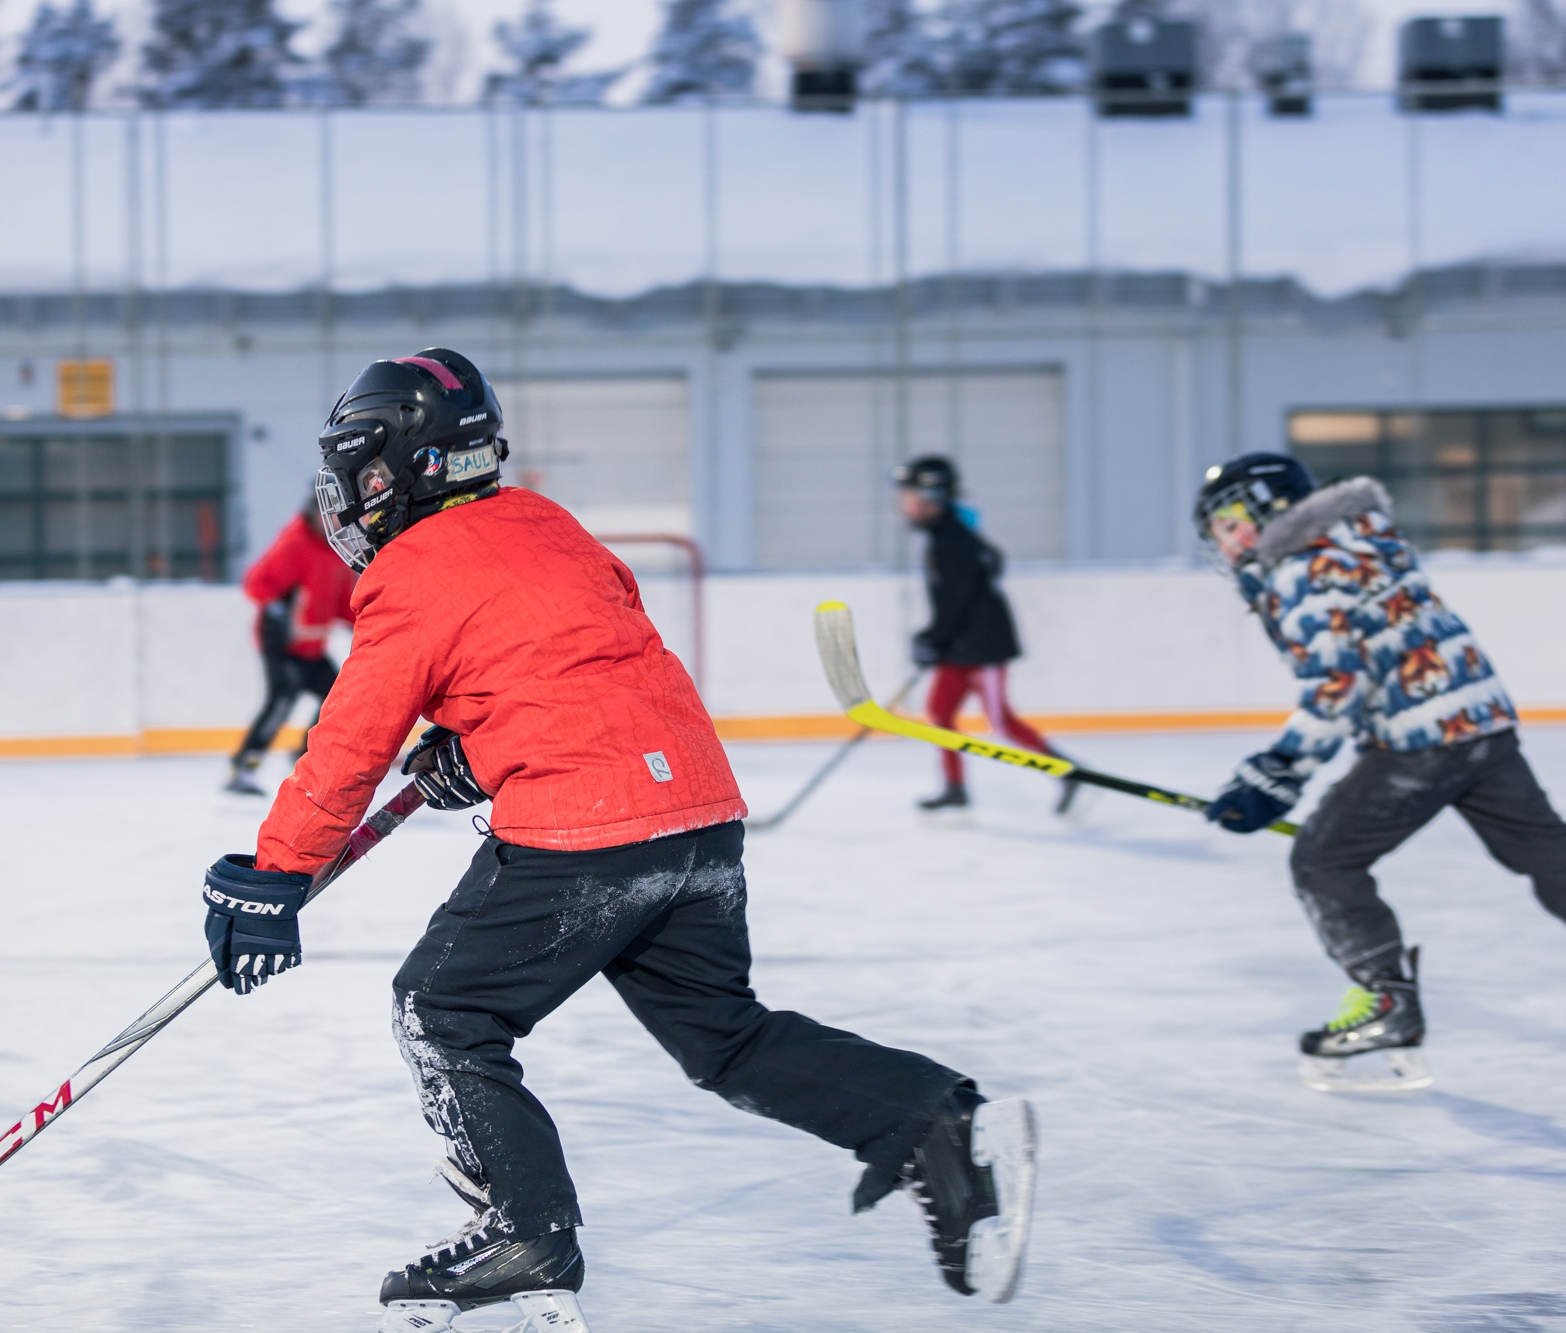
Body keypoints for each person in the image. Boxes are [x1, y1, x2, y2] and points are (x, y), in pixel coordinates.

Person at [196, 350, 1038, 1332]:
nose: (348, 493)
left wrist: (273, 875)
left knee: (443, 1009)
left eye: (357, 469)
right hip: (697, 817)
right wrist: (475, 737)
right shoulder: (547, 524)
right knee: (726, 1039)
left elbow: (347, 745)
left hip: (582, 826)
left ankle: (527, 1234)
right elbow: (575, 655)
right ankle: (934, 1122)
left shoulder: (410, 572)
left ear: (396, 466)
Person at [1195, 453, 1566, 1091]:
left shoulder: (1300, 566)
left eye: (1232, 522)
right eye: (1217, 533)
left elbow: (1337, 684)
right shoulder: (1357, 538)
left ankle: (1386, 1003)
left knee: (1321, 861)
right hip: (1480, 723)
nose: (1226, 542)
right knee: (1546, 856)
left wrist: (1277, 771)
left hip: (1421, 740)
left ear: (1271, 508)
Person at [895, 456, 1075, 815]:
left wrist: (933, 638)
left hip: (982, 648)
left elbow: (959, 600)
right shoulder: (944, 535)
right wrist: (934, 639)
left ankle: (1068, 773)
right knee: (940, 713)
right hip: (958, 646)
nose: (905, 505)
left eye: (911, 496)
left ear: (933, 497)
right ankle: (955, 787)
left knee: (1001, 722)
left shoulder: (952, 540)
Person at [225, 488, 358, 795]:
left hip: (311, 646)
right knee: (281, 700)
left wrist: (363, 622)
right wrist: (277, 609)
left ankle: (304, 757)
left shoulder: (337, 553)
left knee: (335, 697)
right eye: (325, 518)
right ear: (312, 514)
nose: (330, 525)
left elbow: (342, 604)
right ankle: (244, 766)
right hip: (281, 644)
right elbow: (256, 584)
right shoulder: (294, 544)